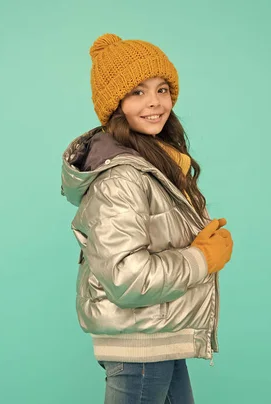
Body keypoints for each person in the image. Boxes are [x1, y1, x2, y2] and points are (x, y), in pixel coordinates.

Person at [60, 33, 234, 404]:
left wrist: (198, 241)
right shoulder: (121, 177)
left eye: (162, 89)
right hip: (139, 349)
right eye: (137, 92)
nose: (155, 102)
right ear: (115, 105)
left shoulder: (155, 163)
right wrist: (202, 258)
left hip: (160, 339)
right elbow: (127, 278)